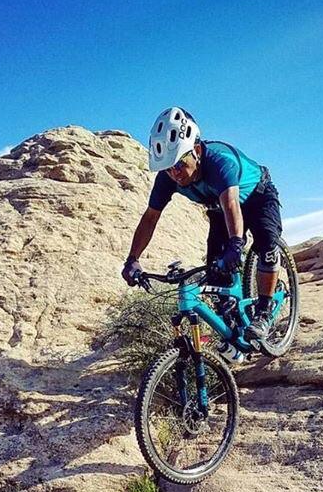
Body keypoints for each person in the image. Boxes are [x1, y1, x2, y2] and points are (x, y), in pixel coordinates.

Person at [121, 106, 283, 341]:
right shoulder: (167, 179)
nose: (174, 173)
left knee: (266, 241)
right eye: (167, 168)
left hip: (257, 196)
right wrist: (132, 258)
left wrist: (236, 244)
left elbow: (231, 205)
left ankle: (264, 312)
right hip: (220, 207)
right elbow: (150, 218)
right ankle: (233, 328)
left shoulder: (219, 161)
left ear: (196, 150)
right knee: (215, 268)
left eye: (178, 164)